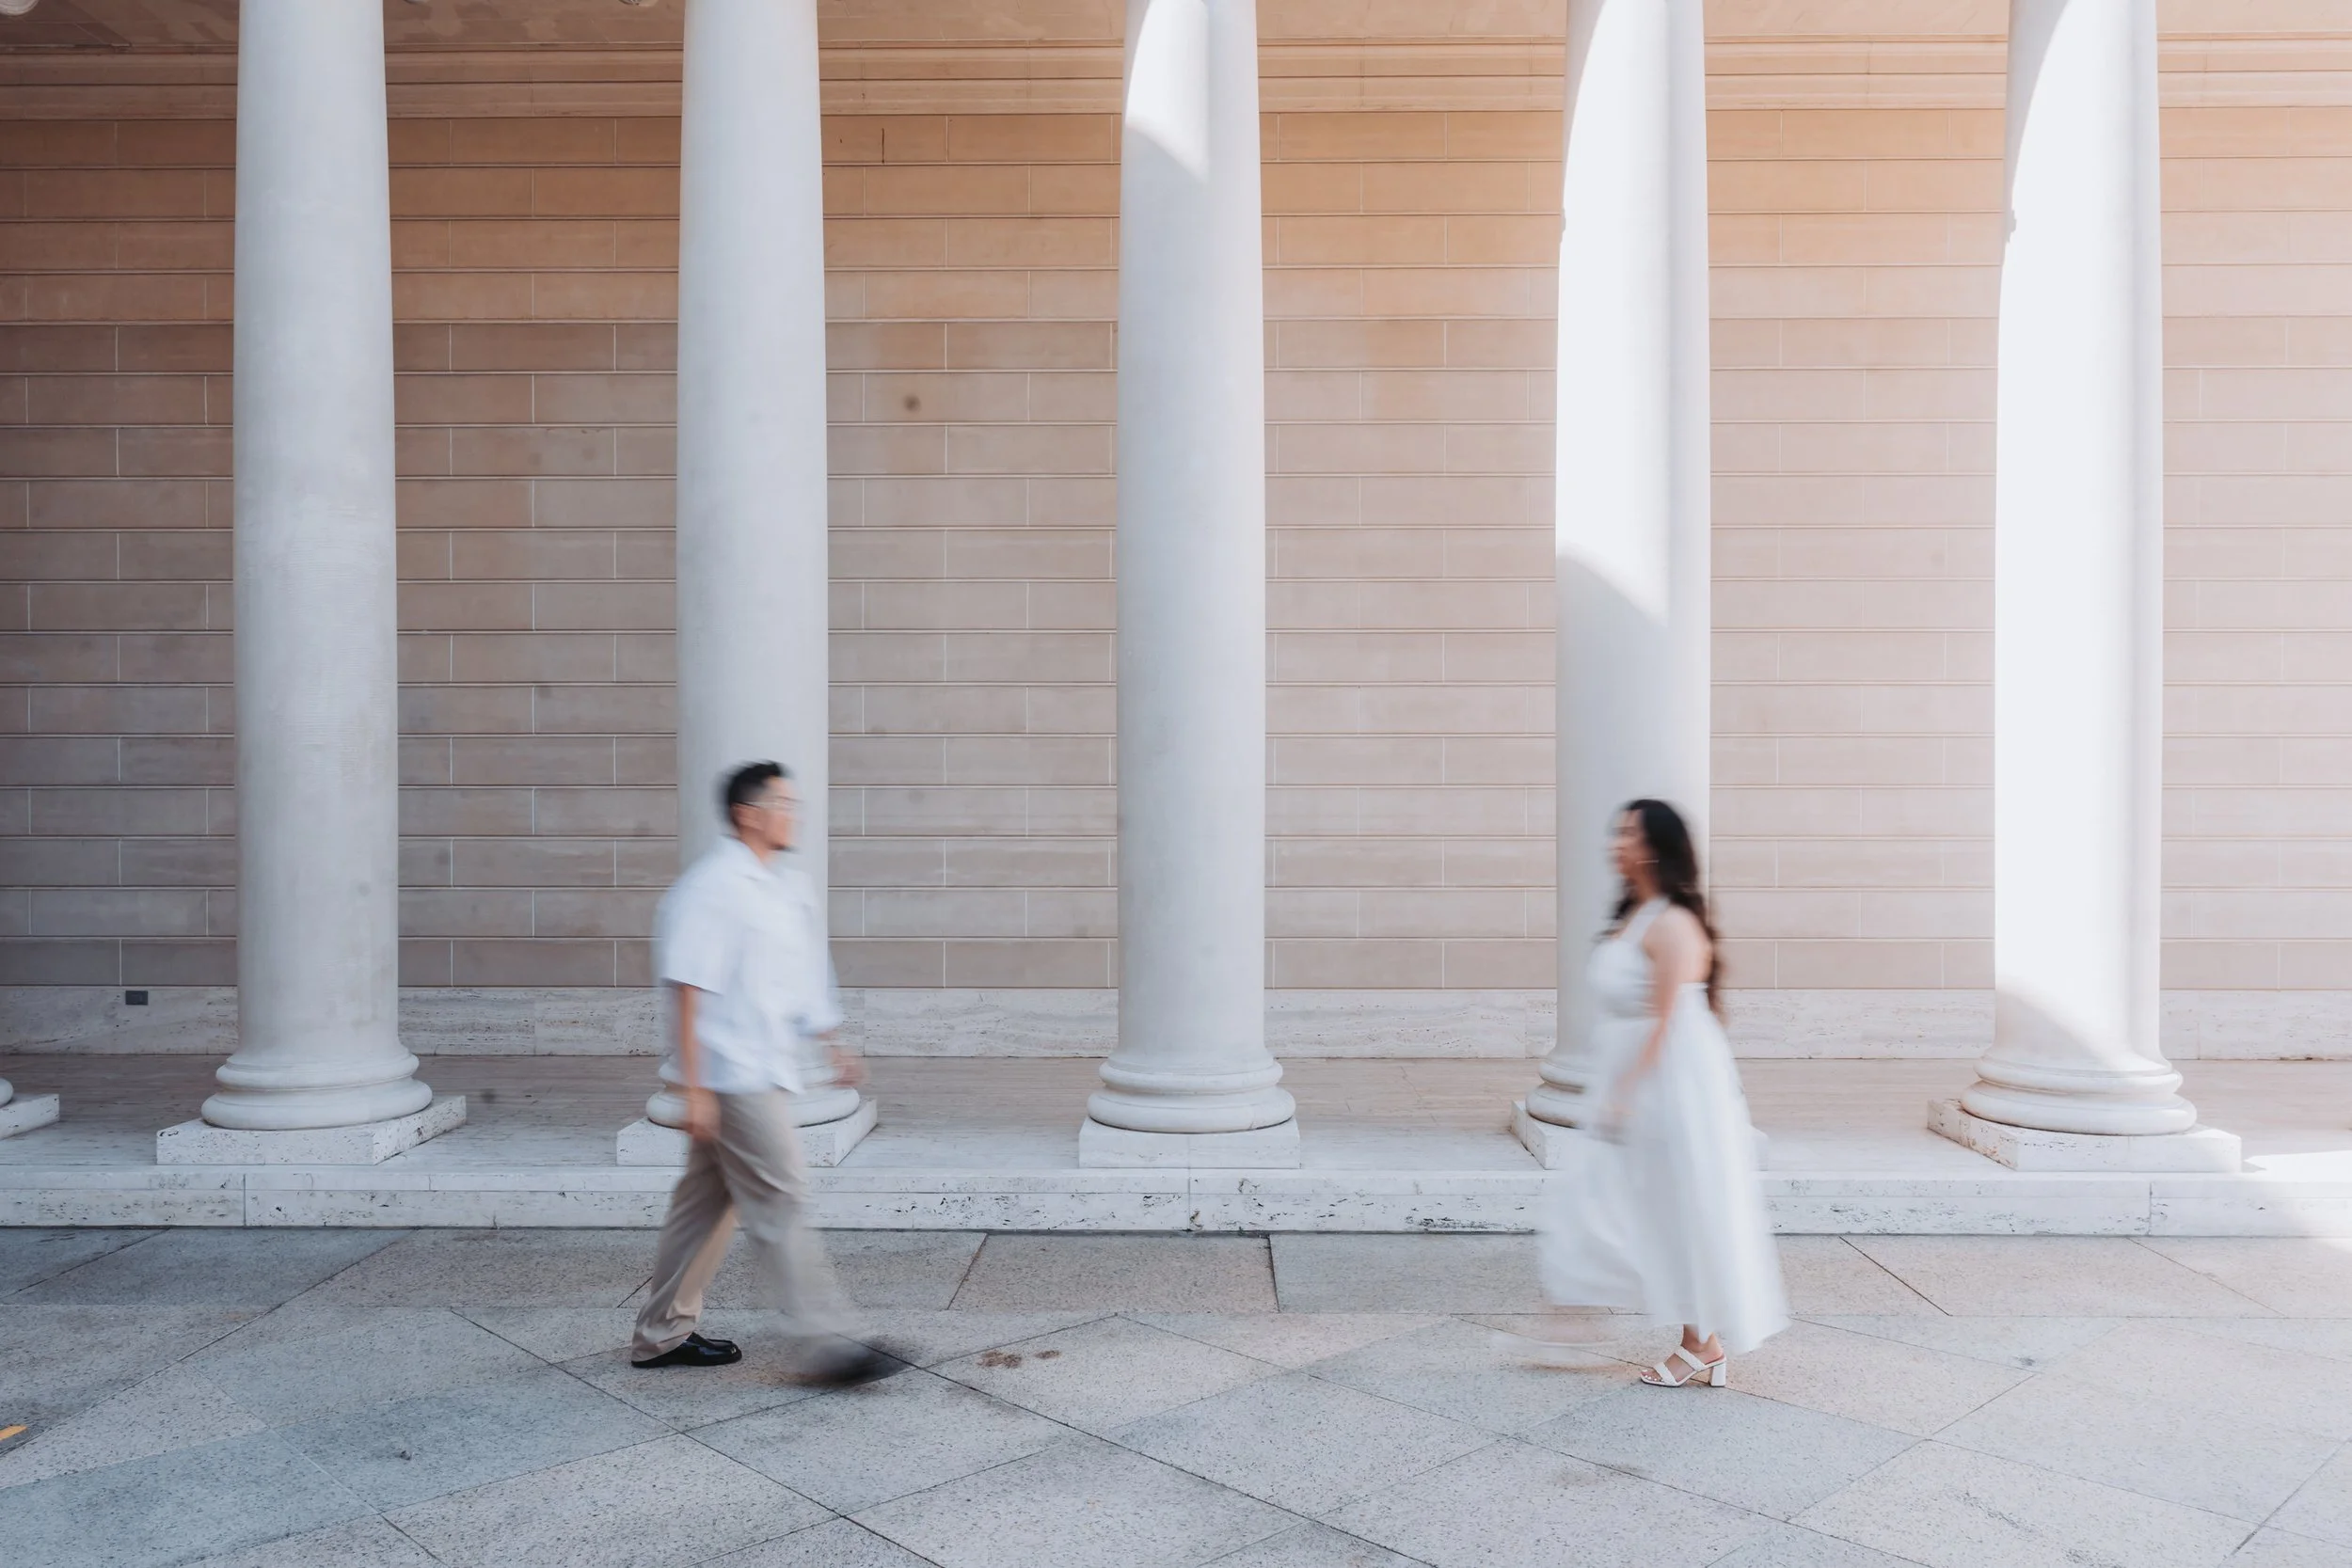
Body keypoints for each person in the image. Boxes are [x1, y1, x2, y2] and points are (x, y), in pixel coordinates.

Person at [628, 760, 893, 1386]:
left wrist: (831, 1041)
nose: (793, 813)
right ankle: (827, 1343)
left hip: (763, 1065)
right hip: (731, 1074)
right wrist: (694, 1089)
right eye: (783, 803)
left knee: (705, 1208)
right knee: (780, 1195)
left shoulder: (784, 887)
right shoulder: (713, 886)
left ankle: (660, 1333)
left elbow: (802, 976)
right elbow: (688, 987)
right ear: (748, 813)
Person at [1534, 799, 1788, 1386]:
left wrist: (1627, 1090)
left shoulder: (1672, 921)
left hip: (1670, 1086)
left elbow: (1669, 1019)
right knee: (1633, 1203)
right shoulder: (1638, 914)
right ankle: (1619, 1320)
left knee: (1679, 1205)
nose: (1615, 841)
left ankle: (1699, 1342)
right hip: (1638, 1080)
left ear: (1653, 846)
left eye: (1628, 832)